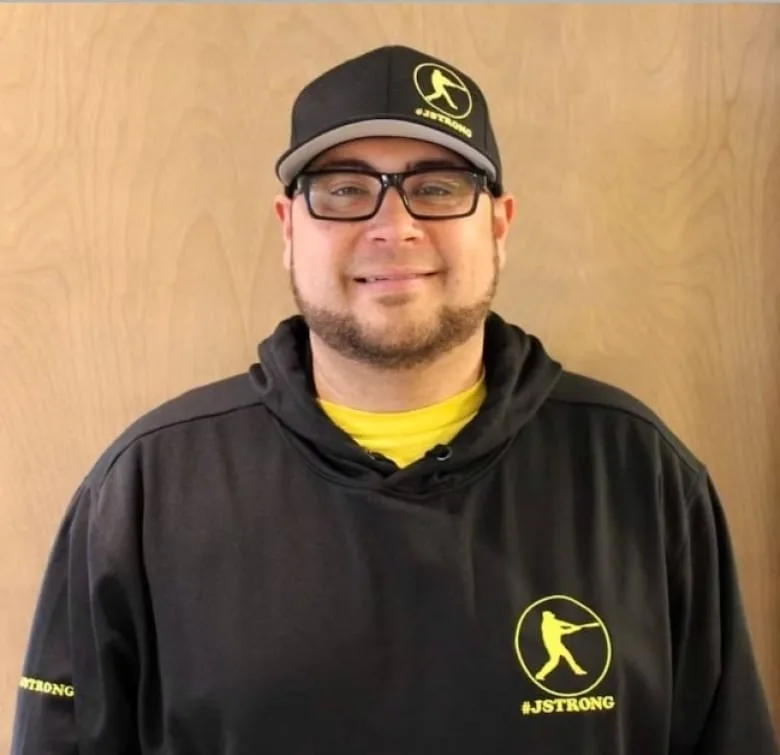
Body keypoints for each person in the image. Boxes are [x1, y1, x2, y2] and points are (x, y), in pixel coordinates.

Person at [10, 44, 778, 754]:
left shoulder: (638, 473)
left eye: (437, 187)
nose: (393, 225)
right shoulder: (148, 489)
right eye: (344, 190)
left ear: (500, 226)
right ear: (287, 228)